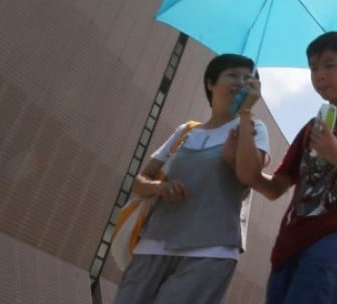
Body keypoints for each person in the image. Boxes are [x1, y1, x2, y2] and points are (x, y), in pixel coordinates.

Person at [233, 31, 337, 304]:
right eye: (313, 68)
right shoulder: (310, 129)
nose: (319, 74)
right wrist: (244, 117)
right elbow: (273, 187)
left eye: (329, 65)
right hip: (288, 246)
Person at [113, 53, 271, 304]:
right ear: (210, 82)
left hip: (211, 251)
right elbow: (140, 180)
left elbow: (251, 175)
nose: (241, 82)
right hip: (154, 243)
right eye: (233, 75)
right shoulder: (186, 131)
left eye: (248, 79)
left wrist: (246, 112)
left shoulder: (254, 128)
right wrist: (160, 187)